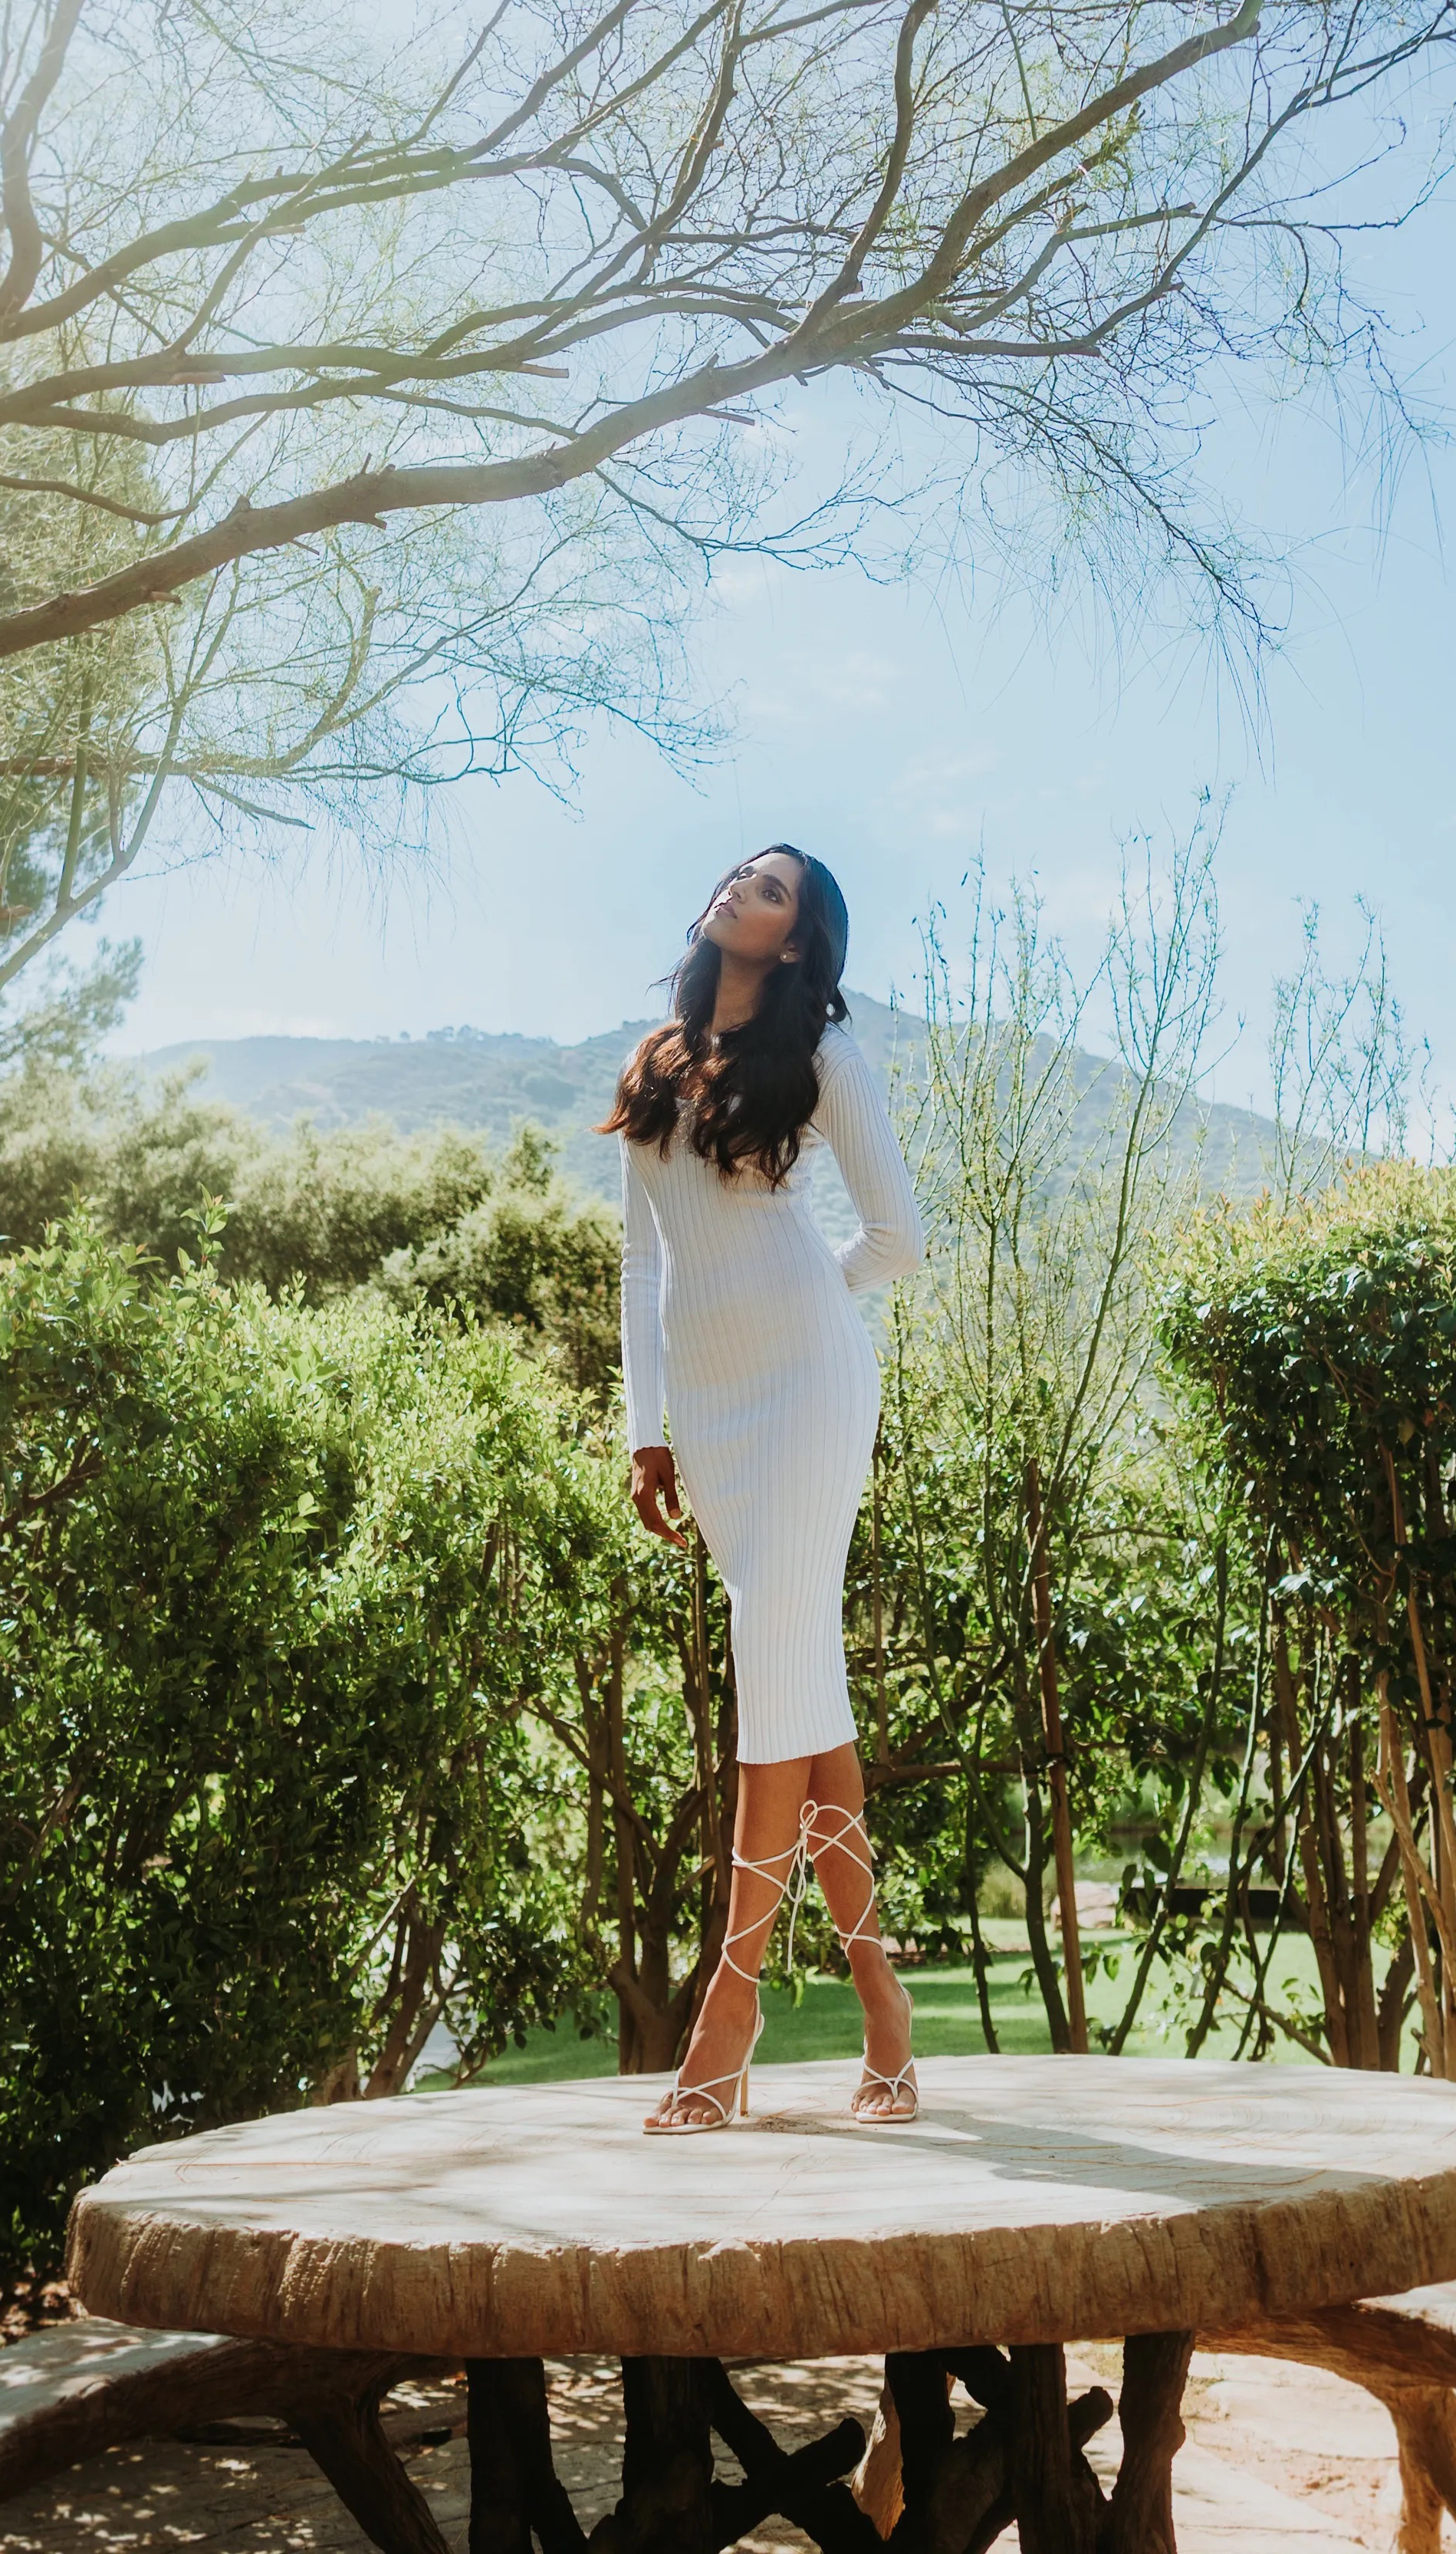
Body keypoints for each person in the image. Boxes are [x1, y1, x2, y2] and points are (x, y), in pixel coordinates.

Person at [603, 844, 924, 2131]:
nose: (741, 885)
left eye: (773, 888)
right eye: (740, 872)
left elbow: (899, 1238)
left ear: (795, 943)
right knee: (804, 1694)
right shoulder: (654, 1061)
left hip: (809, 1391)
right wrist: (647, 1431)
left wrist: (798, 1303)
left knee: (764, 1670)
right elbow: (640, 1265)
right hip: (716, 1416)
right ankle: (884, 2011)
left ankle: (728, 2011)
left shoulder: (824, 1063)